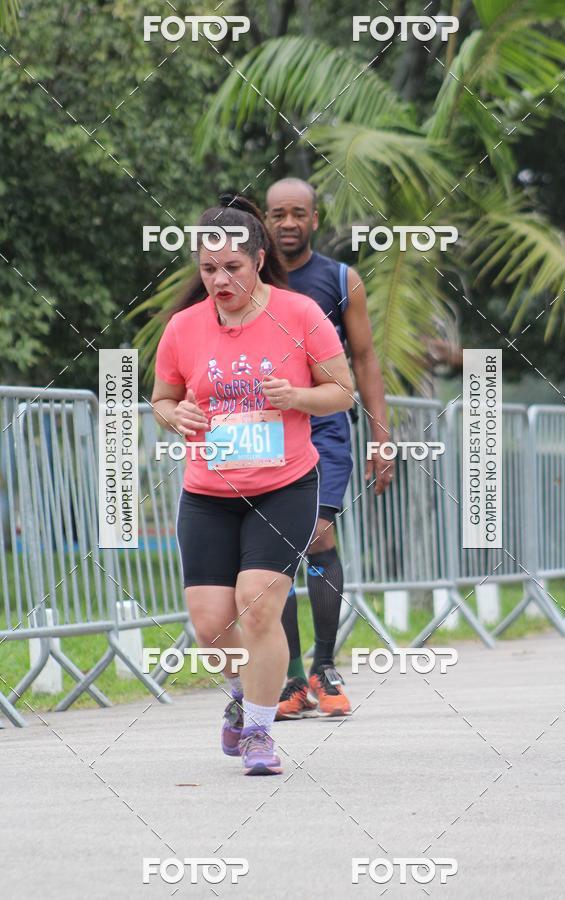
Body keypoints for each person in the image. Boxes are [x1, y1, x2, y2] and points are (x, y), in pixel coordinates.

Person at [151, 194, 353, 776]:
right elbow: (163, 397)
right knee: (212, 624)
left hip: (283, 485)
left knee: (258, 606)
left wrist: (297, 399)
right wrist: (174, 416)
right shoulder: (183, 328)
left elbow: (341, 391)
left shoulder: (299, 315)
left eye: (231, 268)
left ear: (258, 260)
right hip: (209, 493)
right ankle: (243, 694)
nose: (219, 280)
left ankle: (262, 734)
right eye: (208, 269)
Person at [264, 178, 392, 719]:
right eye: (277, 214)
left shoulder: (341, 279)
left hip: (324, 430)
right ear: (265, 221)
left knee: (316, 533)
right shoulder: (246, 278)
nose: (288, 223)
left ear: (315, 219)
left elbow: (364, 360)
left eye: (298, 213)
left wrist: (382, 435)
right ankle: (291, 676)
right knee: (275, 549)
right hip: (263, 427)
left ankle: (325, 664)